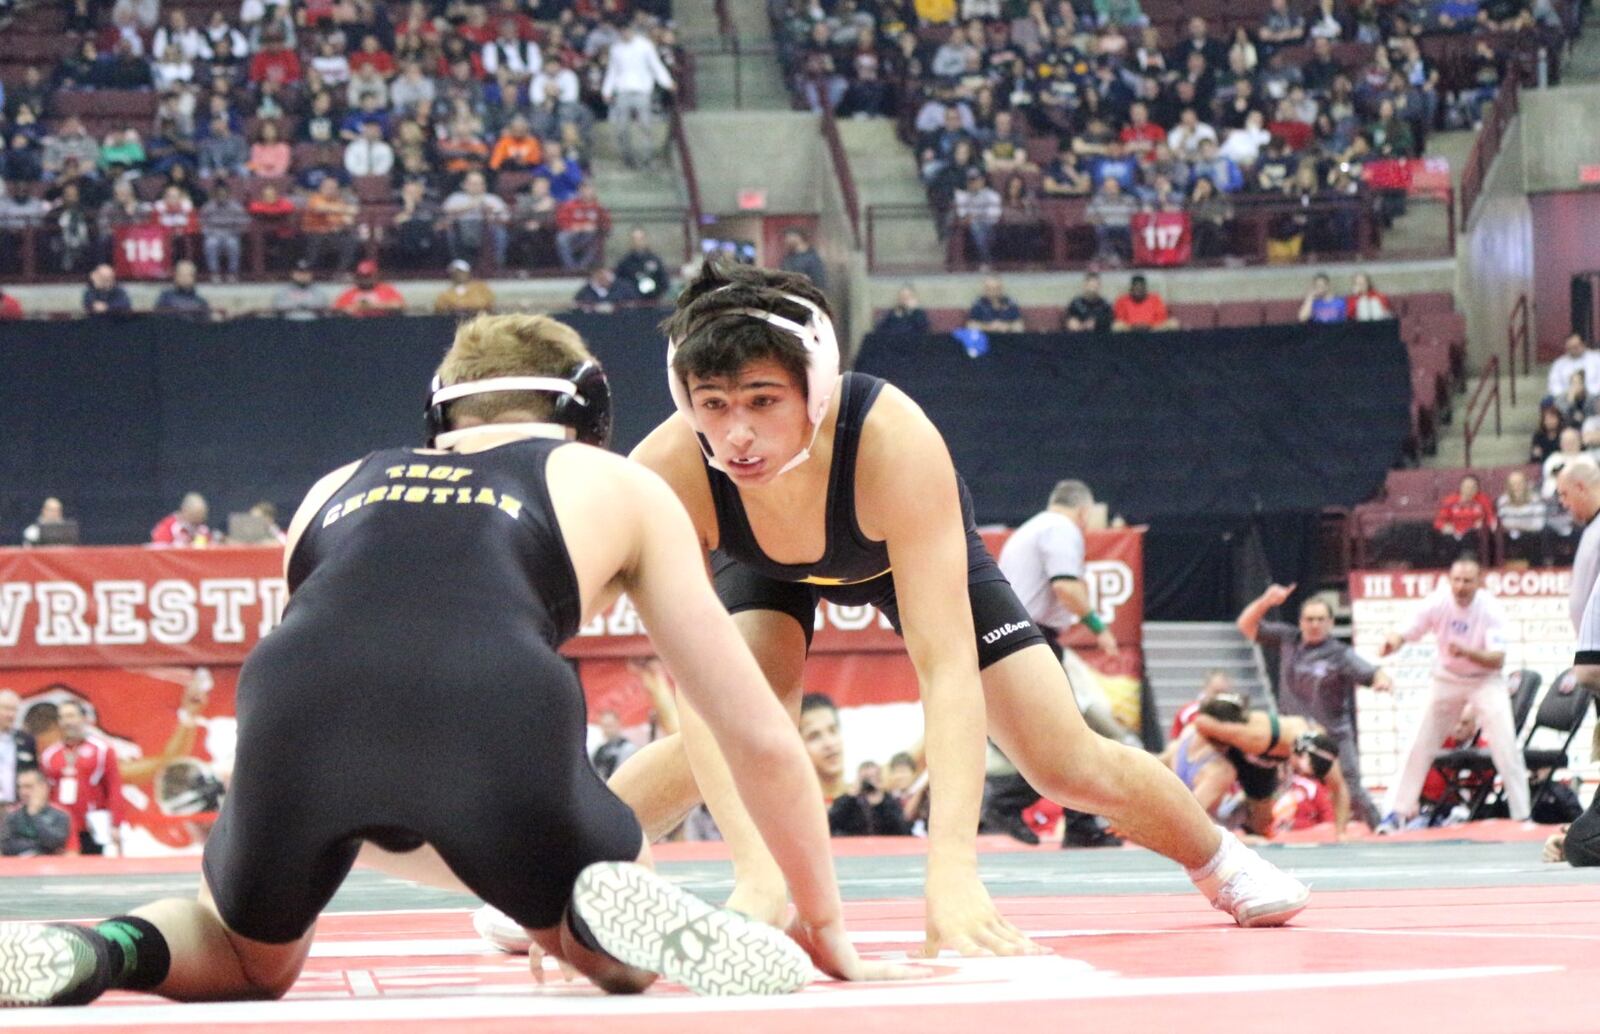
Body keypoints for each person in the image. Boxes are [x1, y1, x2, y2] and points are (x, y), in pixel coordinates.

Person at [0, 313, 907, 1008]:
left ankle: (95, 949)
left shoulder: (334, 486)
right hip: (494, 689)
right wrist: (820, 918)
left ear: (440, 415)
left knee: (243, 951)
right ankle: (593, 917)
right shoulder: (615, 483)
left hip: (291, 692)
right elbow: (751, 728)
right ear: (586, 410)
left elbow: (356, 682)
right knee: (605, 914)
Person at [471, 262, 1310, 959]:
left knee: (1063, 762)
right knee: (723, 728)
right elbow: (695, 690)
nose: (737, 437)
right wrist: (757, 873)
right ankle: (560, 872)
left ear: (817, 388)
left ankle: (1222, 860)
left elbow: (946, 672)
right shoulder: (668, 470)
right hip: (763, 567)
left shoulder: (893, 440)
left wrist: (953, 873)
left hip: (888, 551)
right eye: (713, 404)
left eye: (763, 399)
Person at [1377, 557, 1530, 829]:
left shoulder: (1490, 609)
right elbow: (1410, 628)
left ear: (1479, 582)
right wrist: (1393, 642)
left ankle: (1522, 815)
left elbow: (1497, 660)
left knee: (1506, 744)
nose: (1461, 587)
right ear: (1450, 580)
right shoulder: (1438, 601)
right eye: (1456, 580)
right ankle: (1396, 813)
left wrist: (1466, 652)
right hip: (1446, 678)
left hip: (1485, 680)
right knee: (1419, 743)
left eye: (1467, 581)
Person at [1237, 584, 1393, 828]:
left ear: (1330, 623)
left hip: (1332, 736)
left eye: (1321, 619)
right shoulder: (1288, 639)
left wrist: (1382, 681)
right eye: (1309, 619)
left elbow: (1372, 672)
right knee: (1282, 788)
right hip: (1295, 737)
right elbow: (1245, 625)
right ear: (1300, 622)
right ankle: (1278, 831)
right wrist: (1266, 600)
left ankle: (1380, 828)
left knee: (1350, 788)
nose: (1315, 624)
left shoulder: (1339, 653)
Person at [1179, 693, 1350, 840]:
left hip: (1262, 765)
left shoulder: (1321, 751)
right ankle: (1188, 820)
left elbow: (1339, 788)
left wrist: (1340, 833)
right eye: (1298, 769)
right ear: (1295, 751)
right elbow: (1201, 722)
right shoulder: (1255, 735)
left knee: (1262, 826)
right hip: (1234, 752)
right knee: (1224, 772)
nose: (1299, 774)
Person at [38, 700, 125, 856]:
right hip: (60, 828)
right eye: (62, 717)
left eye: (71, 716)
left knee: (94, 873)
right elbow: (45, 794)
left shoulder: (102, 750)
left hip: (92, 826)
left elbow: (114, 788)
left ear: (84, 719)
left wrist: (116, 824)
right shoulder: (49, 755)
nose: (67, 722)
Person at [602, 20, 675, 168]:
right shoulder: (616, 49)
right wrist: (607, 90)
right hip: (623, 91)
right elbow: (612, 71)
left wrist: (667, 82)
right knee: (621, 128)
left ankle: (647, 159)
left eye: (627, 30)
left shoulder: (645, 46)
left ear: (632, 30)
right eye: (622, 31)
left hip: (642, 91)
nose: (625, 33)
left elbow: (656, 66)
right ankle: (628, 159)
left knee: (645, 126)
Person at [2, 769, 70, 857]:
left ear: (43, 788)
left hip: (50, 866)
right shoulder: (12, 815)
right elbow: (7, 846)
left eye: (28, 787)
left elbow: (54, 842)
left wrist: (34, 815)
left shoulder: (60, 815)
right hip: (18, 866)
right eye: (20, 787)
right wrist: (38, 847)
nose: (23, 792)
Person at [0, 690, 39, 807]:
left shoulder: (26, 740)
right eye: (6, 708)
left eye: (14, 710)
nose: (10, 714)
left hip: (16, 806)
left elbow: (34, 772)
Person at [613, 226, 670, 300]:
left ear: (646, 240)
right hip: (632, 304)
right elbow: (619, 282)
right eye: (634, 239)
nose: (637, 242)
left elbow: (663, 281)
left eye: (640, 239)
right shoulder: (624, 262)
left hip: (653, 303)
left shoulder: (655, 260)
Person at [332, 260, 406, 317]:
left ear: (376, 275)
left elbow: (399, 305)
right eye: (361, 276)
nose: (365, 278)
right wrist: (348, 309)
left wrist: (370, 306)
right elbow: (336, 310)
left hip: (381, 326)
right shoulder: (350, 293)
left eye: (368, 276)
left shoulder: (386, 289)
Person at [1546, 333, 1600, 405]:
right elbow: (1554, 384)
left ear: (1583, 344)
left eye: (1575, 347)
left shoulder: (1596, 359)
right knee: (1547, 401)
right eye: (1570, 348)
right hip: (1567, 397)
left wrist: (1586, 392)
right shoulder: (1559, 364)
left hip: (1593, 396)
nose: (1573, 350)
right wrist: (1567, 393)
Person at [1111, 274, 1179, 331]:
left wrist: (1149, 326)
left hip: (1152, 329)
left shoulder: (1155, 299)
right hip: (1130, 330)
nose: (1138, 290)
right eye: (1136, 288)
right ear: (1131, 288)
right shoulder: (1122, 300)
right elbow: (1120, 320)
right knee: (1116, 326)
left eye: (1141, 287)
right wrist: (1134, 326)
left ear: (1145, 288)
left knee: (1173, 323)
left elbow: (1161, 318)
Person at [590, 710, 639, 781]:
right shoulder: (599, 750)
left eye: (609, 725)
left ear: (618, 724)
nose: (607, 730)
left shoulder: (628, 749)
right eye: (604, 726)